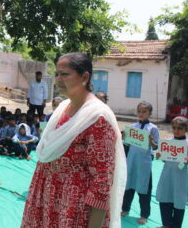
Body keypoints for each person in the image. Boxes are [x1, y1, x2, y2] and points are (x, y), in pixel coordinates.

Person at [22, 53, 126, 228]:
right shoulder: (62, 109)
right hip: (46, 202)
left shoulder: (97, 118)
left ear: (85, 77)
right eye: (57, 74)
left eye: (65, 74)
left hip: (72, 211)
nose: (58, 79)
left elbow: (102, 182)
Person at [121, 101, 159, 225]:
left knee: (144, 189)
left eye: (144, 112)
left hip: (144, 163)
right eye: (139, 111)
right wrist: (124, 137)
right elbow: (126, 144)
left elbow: (155, 147)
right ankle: (125, 208)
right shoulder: (133, 127)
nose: (141, 114)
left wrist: (151, 141)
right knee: (129, 186)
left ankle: (144, 214)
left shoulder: (153, 128)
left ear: (150, 113)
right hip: (131, 161)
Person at [155, 116, 188, 228]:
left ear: (186, 129)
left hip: (180, 179)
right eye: (174, 128)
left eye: (180, 128)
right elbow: (165, 159)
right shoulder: (167, 143)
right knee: (165, 199)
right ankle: (166, 224)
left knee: (179, 201)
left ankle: (176, 226)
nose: (176, 130)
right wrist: (160, 156)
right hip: (167, 177)